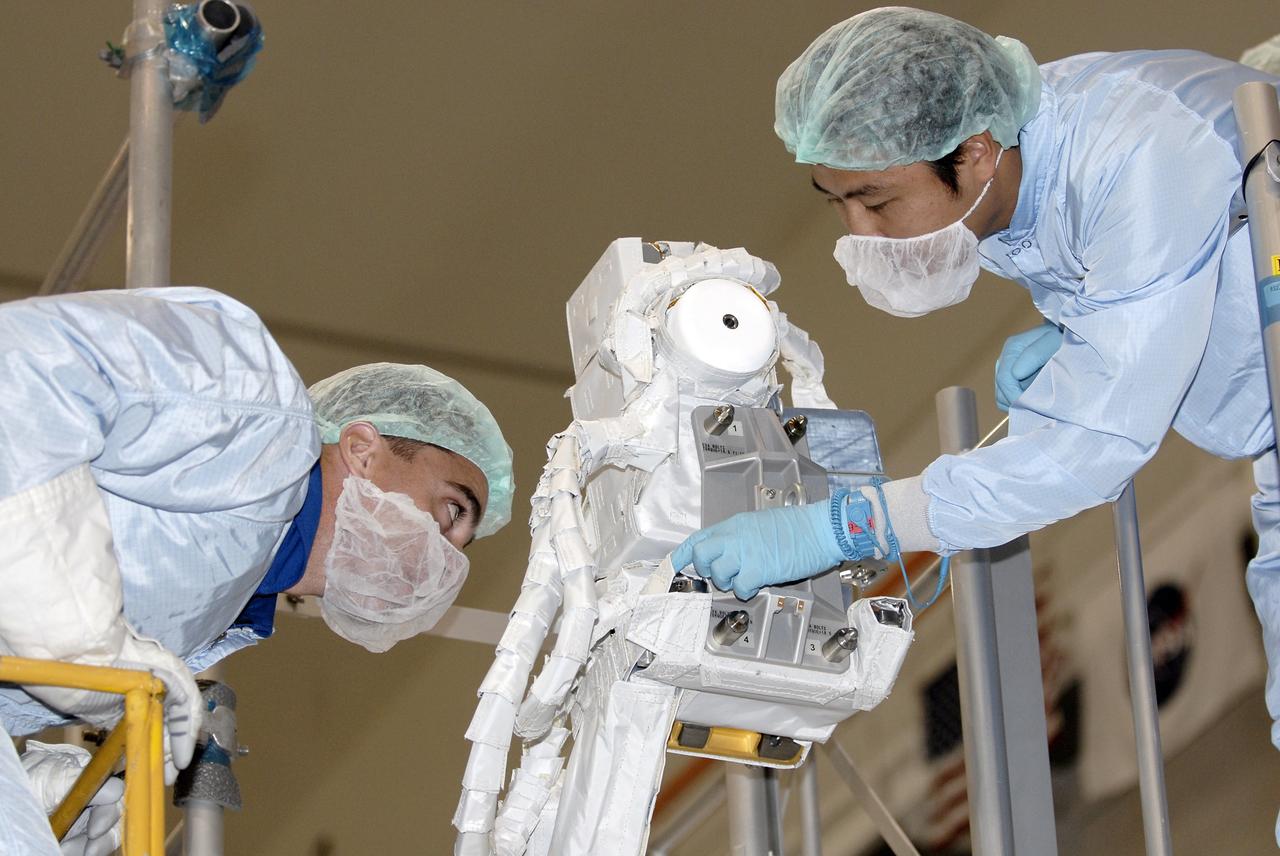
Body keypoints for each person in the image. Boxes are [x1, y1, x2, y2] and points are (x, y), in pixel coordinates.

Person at [672, 5, 1280, 837]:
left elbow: (1087, 450)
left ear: (977, 152)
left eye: (877, 200)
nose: (858, 233)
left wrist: (855, 525)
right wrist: (1080, 337)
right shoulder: (1011, 185)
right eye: (837, 202)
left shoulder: (1135, 151)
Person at [0, 286, 514, 855]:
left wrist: (30, 795)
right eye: (451, 511)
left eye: (462, 547)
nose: (445, 559)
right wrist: (83, 636)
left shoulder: (223, 608)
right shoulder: (255, 408)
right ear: (363, 448)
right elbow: (24, 366)